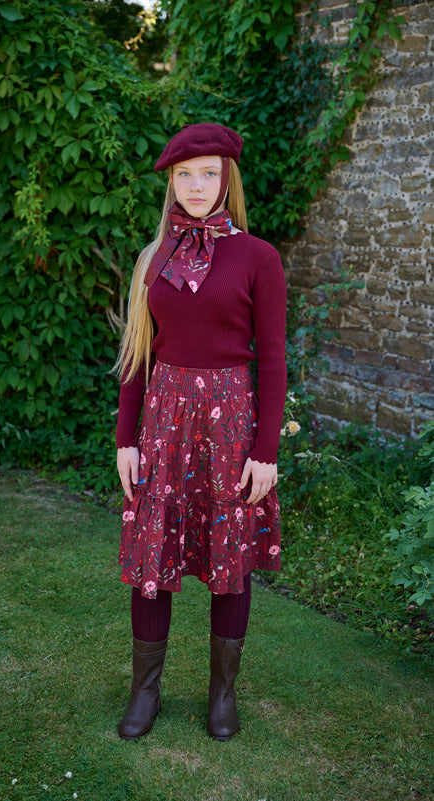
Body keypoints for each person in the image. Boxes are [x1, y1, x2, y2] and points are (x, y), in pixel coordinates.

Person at [114, 122, 287, 741]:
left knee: (228, 560)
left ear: (227, 179)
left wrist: (265, 451)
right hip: (162, 424)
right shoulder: (152, 257)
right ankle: (144, 694)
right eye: (184, 174)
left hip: (231, 427)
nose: (195, 185)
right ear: (170, 181)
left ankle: (222, 695)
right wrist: (125, 439)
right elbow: (139, 355)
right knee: (152, 558)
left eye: (208, 173)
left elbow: (272, 360)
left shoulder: (259, 258)